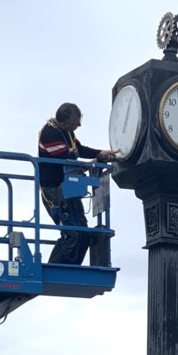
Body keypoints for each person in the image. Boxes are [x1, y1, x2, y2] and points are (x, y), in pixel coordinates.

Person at [37, 102, 117, 264]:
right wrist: (95, 161)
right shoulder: (49, 133)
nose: (79, 124)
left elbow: (78, 150)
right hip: (54, 190)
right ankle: (55, 268)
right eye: (76, 121)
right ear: (65, 121)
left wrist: (100, 153)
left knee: (83, 231)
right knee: (72, 233)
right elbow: (67, 160)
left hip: (69, 188)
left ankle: (71, 266)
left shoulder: (66, 132)